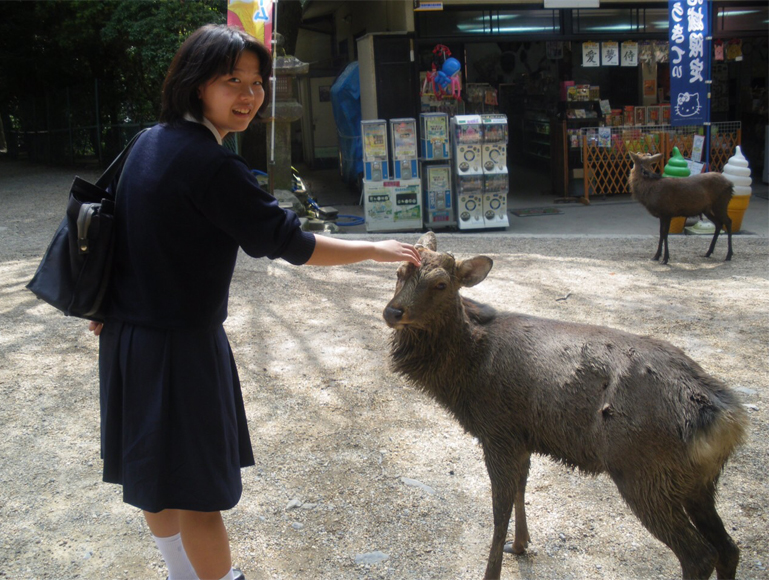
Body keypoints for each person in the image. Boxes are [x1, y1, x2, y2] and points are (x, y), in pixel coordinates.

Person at [88, 24, 420, 580]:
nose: (249, 95)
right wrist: (375, 249)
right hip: (181, 348)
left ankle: (180, 573)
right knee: (198, 492)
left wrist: (106, 306)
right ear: (198, 86)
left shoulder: (148, 141)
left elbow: (115, 231)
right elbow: (293, 244)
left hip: (127, 339)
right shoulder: (213, 165)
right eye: (231, 81)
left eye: (256, 82)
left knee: (152, 475)